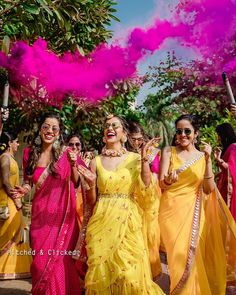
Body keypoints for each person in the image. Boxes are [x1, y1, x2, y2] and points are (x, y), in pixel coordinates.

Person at [75, 114, 164, 294]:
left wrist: (144, 159)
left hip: (128, 220)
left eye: (115, 126)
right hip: (102, 219)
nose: (110, 128)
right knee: (104, 273)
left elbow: (146, 187)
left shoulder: (134, 158)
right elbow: (91, 201)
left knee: (129, 273)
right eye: (107, 126)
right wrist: (91, 184)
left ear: (124, 134)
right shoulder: (95, 161)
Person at [159, 114, 236, 295]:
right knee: (178, 259)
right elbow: (161, 183)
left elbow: (209, 189)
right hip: (171, 211)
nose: (183, 135)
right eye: (179, 131)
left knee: (193, 259)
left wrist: (209, 160)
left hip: (194, 212)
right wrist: (168, 180)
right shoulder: (168, 151)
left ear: (196, 134)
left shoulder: (202, 156)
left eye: (187, 131)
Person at [12, 113, 84, 295]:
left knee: (59, 263)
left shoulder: (67, 154)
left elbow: (76, 182)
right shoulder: (30, 153)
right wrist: (24, 189)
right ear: (40, 129)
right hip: (39, 218)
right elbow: (29, 181)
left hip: (61, 220)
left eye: (54, 128)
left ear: (59, 133)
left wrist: (74, 164)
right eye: (46, 126)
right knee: (39, 263)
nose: (49, 131)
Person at [0, 132, 32, 279]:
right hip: (7, 200)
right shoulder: (5, 158)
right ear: (9, 143)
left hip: (12, 199)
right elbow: (6, 181)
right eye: (16, 141)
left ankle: (13, 268)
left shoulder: (10, 158)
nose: (18, 144)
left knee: (17, 231)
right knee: (9, 231)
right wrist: (16, 199)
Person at [214, 123, 236, 220]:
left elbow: (231, 168)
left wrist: (219, 160)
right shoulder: (228, 147)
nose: (218, 138)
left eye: (218, 134)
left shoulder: (233, 147)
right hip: (224, 185)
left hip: (230, 188)